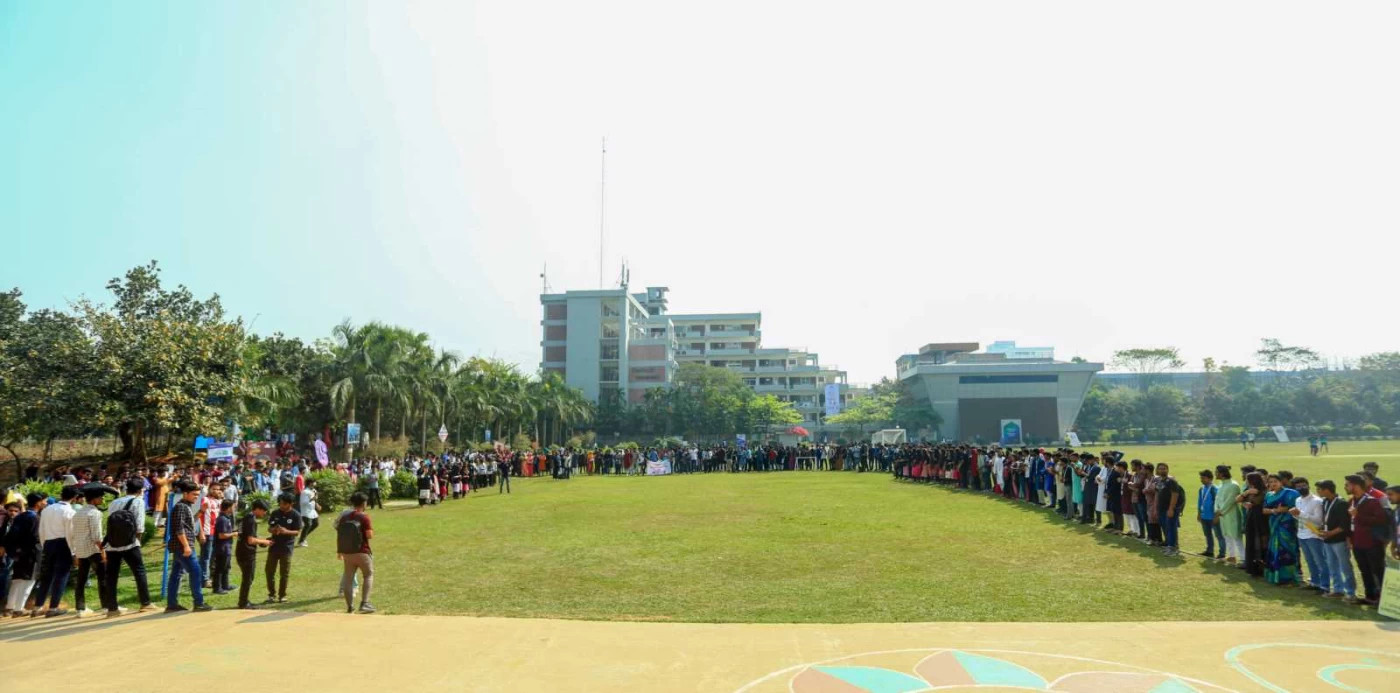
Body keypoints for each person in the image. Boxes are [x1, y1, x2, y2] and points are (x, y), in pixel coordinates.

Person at [104, 478, 154, 615]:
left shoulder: (114, 502)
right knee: (139, 571)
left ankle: (112, 608)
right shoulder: (138, 502)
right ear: (140, 490)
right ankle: (145, 603)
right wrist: (138, 541)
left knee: (111, 575)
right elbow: (140, 526)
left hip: (112, 544)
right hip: (130, 543)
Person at [165, 480, 212, 613]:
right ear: (185, 494)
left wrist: (201, 511)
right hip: (183, 547)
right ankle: (199, 603)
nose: (196, 497)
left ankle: (172, 604)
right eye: (194, 495)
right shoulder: (180, 507)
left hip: (181, 546)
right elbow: (179, 528)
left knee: (176, 575)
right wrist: (186, 546)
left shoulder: (186, 506)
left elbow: (189, 524)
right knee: (196, 572)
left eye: (197, 495)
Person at [33, 484, 77, 617]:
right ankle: (53, 607)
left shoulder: (47, 510)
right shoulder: (70, 512)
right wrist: (73, 551)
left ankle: (37, 607)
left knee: (46, 576)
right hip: (63, 544)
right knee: (61, 575)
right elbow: (70, 533)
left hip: (48, 543)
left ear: (61, 495)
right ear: (74, 498)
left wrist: (44, 545)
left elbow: (41, 530)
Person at [1346, 474, 1388, 606]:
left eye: (1348, 484)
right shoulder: (1351, 501)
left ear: (1356, 486)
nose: (1345, 487)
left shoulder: (1372, 501)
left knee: (1377, 571)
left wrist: (1358, 516)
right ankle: (1370, 596)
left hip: (1372, 543)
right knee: (1364, 570)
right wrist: (1349, 538)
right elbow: (1350, 522)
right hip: (1357, 542)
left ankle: (1382, 599)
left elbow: (1381, 520)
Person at [1314, 480, 1357, 603]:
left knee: (1345, 567)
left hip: (1339, 540)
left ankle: (1350, 593)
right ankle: (1338, 589)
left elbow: (1344, 525)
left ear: (1327, 490)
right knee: (1332, 566)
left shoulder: (1341, 503)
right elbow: (1327, 519)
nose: (1317, 492)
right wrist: (1321, 529)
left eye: (1319, 489)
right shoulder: (1325, 501)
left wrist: (1330, 533)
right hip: (1328, 540)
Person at [69, 486, 109, 617]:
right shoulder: (95, 513)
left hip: (81, 549)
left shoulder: (78, 513)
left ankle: (80, 608)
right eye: (101, 497)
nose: (102, 499)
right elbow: (97, 536)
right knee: (103, 577)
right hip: (93, 549)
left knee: (81, 579)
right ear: (94, 499)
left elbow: (74, 533)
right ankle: (106, 606)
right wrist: (102, 550)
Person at [335, 492, 376, 614]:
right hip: (362, 551)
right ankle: (365, 603)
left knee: (348, 578)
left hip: (347, 552)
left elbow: (340, 535)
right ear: (364, 503)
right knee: (368, 575)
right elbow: (369, 535)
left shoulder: (344, 517)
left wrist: (340, 551)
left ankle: (350, 606)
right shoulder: (364, 517)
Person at [3, 494, 43, 616]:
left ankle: (10, 607)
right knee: (29, 580)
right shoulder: (35, 518)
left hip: (18, 554)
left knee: (17, 579)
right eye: (43, 501)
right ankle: (19, 609)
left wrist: (15, 551)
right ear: (38, 503)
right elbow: (35, 537)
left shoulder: (20, 516)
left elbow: (10, 536)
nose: (45, 503)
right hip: (31, 553)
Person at [1289, 477, 1328, 593]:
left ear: (1308, 485)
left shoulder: (1317, 501)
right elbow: (1299, 518)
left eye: (1303, 485)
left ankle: (1325, 585)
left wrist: (1300, 513)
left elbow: (1318, 520)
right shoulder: (1298, 500)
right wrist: (1295, 514)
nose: (1301, 488)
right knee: (1310, 560)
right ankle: (1315, 582)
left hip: (1313, 535)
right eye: (1298, 487)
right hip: (1302, 534)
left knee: (1320, 561)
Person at [1262, 474, 1300, 585]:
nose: (1273, 484)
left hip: (1287, 525)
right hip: (1274, 524)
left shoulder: (1291, 493)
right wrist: (1275, 511)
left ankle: (1289, 577)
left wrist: (1286, 509)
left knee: (1287, 549)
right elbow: (1264, 510)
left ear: (1281, 482)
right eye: (1270, 482)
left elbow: (1298, 507)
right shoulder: (1269, 494)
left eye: (1275, 481)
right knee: (1275, 548)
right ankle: (1276, 575)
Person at [235, 499, 273, 609]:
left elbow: (248, 536)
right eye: (264, 510)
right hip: (247, 553)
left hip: (241, 551)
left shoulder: (246, 517)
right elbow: (250, 540)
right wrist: (265, 542)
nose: (264, 513)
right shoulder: (251, 520)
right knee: (248, 578)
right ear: (258, 509)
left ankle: (244, 600)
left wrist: (261, 541)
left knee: (248, 577)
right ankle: (243, 602)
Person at [265, 492, 302, 604]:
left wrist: (286, 531)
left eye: (284, 504)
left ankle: (282, 595)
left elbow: (297, 532)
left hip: (286, 547)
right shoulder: (275, 513)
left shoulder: (296, 515)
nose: (281, 505)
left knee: (284, 573)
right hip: (274, 546)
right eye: (280, 503)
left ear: (291, 504)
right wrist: (273, 530)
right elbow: (269, 528)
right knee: (269, 571)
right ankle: (271, 595)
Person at [1240, 472, 1269, 577]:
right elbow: (1238, 499)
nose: (1246, 482)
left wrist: (1250, 500)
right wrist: (1246, 494)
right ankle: (1253, 568)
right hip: (1251, 518)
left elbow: (1257, 502)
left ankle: (1263, 568)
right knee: (1251, 542)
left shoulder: (1264, 491)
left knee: (1262, 542)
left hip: (1261, 519)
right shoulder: (1249, 490)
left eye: (1248, 480)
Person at [1214, 466, 1244, 565]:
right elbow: (1217, 499)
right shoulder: (1221, 485)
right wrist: (1217, 510)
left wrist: (1221, 511)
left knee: (1236, 536)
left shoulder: (1233, 485)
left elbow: (1230, 501)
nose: (1215, 474)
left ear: (1222, 474)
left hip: (1231, 514)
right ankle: (1232, 556)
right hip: (1222, 515)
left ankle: (1243, 559)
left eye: (1217, 472)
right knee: (1227, 535)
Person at [1153, 463, 1184, 557]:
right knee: (1166, 528)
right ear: (1157, 470)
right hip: (1161, 509)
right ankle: (1169, 545)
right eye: (1160, 469)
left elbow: (1175, 495)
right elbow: (1157, 494)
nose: (1162, 470)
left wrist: (1171, 509)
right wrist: (1155, 508)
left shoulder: (1171, 481)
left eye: (1164, 468)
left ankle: (1174, 547)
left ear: (1167, 470)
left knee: (1171, 528)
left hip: (1170, 509)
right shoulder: (1158, 481)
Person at [211, 499, 237, 594]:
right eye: (233, 507)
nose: (234, 508)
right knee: (220, 568)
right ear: (229, 508)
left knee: (226, 567)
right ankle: (217, 588)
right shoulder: (222, 519)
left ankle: (225, 585)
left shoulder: (227, 518)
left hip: (227, 547)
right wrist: (233, 534)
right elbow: (221, 535)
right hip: (222, 548)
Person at [1196, 469, 1223, 559]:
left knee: (1219, 535)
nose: (1201, 480)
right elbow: (1200, 502)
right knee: (1207, 535)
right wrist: (1199, 513)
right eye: (1201, 478)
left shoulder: (1214, 489)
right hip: (1204, 516)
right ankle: (1209, 551)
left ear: (1210, 478)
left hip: (1213, 517)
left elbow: (1218, 504)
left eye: (1203, 478)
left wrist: (1216, 516)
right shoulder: (1201, 488)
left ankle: (1222, 553)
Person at [298, 479, 319, 548]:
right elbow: (303, 502)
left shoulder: (314, 490)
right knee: (308, 525)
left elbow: (315, 500)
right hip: (306, 511)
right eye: (314, 482)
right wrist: (312, 499)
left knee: (316, 523)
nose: (315, 483)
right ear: (310, 483)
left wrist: (317, 505)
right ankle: (301, 541)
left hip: (312, 510)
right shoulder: (305, 492)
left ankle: (303, 537)